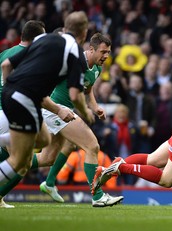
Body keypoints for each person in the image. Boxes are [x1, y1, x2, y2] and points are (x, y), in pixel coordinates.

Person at [0, 11, 91, 201]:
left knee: (43, 139)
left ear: (65, 28)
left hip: (13, 97)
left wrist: (10, 89)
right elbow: (75, 94)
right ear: (84, 33)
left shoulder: (42, 40)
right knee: (20, 161)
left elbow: (6, 65)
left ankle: (4, 140)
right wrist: (86, 113)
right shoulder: (74, 51)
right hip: (23, 99)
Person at [36, 32, 123, 207]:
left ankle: (46, 181)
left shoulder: (97, 68)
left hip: (64, 110)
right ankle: (97, 196)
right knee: (92, 146)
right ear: (91, 49)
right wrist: (85, 111)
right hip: (55, 109)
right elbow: (74, 95)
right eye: (103, 52)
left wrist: (95, 106)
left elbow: (88, 89)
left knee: (48, 157)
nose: (106, 56)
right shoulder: (75, 62)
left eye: (108, 52)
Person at [0, 20, 62, 208]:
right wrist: (59, 109)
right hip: (11, 112)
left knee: (17, 158)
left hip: (3, 109)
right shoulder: (32, 57)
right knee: (22, 161)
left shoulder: (5, 54)